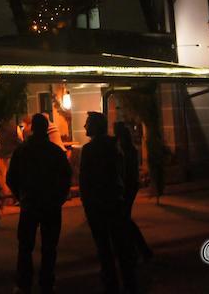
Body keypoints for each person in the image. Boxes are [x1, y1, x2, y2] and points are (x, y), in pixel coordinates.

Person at [5, 112, 72, 294]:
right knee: (49, 246)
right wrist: (59, 198)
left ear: (32, 128)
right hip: (51, 205)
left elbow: (11, 178)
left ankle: (24, 283)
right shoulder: (55, 152)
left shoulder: (22, 151)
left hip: (30, 204)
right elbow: (66, 178)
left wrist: (21, 196)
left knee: (25, 246)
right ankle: (47, 282)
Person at [80, 112, 136, 293]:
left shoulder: (89, 150)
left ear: (95, 126)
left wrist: (87, 204)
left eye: (87, 123)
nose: (84, 127)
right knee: (120, 245)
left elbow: (85, 181)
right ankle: (128, 282)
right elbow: (124, 174)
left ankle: (111, 283)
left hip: (99, 204)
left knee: (104, 246)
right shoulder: (115, 146)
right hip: (115, 201)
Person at [114, 121, 152, 262]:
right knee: (125, 219)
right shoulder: (129, 148)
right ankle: (137, 250)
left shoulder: (124, 149)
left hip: (127, 186)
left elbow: (125, 170)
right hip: (131, 185)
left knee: (124, 220)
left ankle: (139, 251)